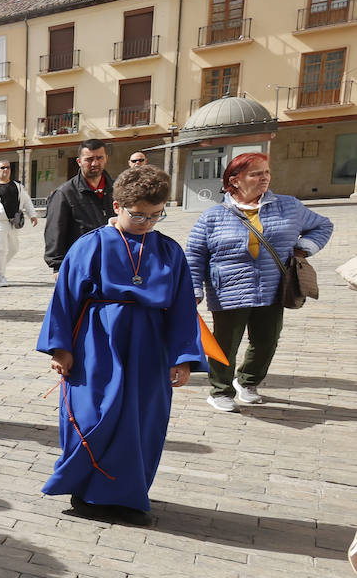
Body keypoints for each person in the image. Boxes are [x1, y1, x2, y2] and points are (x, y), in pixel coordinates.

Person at [39, 166, 207, 526]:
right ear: (117, 206)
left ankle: (128, 497)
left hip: (150, 345)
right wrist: (60, 348)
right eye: (138, 214)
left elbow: (181, 307)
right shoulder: (90, 245)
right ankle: (86, 491)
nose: (147, 221)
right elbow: (64, 299)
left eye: (155, 214)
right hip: (96, 342)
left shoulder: (169, 250)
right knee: (93, 414)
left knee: (140, 420)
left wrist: (184, 358)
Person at [185, 152, 334, 411]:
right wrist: (193, 288)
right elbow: (195, 254)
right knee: (225, 344)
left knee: (267, 341)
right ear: (235, 180)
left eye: (266, 172)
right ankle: (220, 390)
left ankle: (248, 381)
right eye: (255, 173)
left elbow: (323, 226)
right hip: (229, 290)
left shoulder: (289, 206)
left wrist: (303, 248)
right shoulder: (212, 216)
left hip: (274, 287)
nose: (264, 178)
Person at [44, 139, 114, 272]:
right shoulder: (64, 193)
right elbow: (55, 232)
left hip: (113, 262)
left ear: (106, 159)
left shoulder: (117, 190)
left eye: (99, 158)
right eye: (89, 159)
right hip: (81, 264)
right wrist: (58, 267)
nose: (95, 163)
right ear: (79, 161)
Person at [0, 160, 38, 287]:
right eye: (2, 168)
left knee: (14, 248)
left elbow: (26, 201)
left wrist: (32, 215)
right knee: (0, 250)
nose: (5, 170)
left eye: (8, 167)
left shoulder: (18, 186)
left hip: (14, 222)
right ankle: (1, 276)